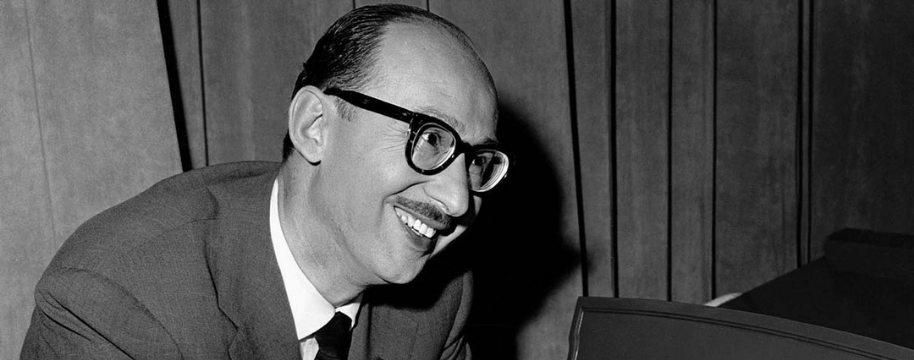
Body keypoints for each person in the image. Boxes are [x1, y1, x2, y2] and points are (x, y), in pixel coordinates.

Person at [20, 4, 509, 360]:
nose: (458, 199)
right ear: (315, 127)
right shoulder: (117, 301)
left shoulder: (442, 298)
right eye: (430, 139)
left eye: (475, 160)